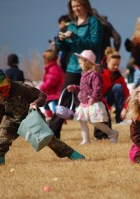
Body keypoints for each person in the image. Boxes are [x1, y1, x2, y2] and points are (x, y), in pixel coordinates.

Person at [0, 69, 85, 166]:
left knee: (48, 139)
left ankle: (73, 154)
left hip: (30, 118)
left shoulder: (22, 88)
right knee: (0, 138)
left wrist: (36, 103)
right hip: (11, 121)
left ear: (5, 87)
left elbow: (42, 95)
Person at [49, 0, 103, 139]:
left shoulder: (94, 22)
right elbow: (67, 48)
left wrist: (74, 37)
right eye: (73, 6)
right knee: (64, 98)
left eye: (78, 5)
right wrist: (61, 41)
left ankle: (102, 133)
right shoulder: (71, 25)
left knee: (96, 98)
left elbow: (95, 45)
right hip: (73, 66)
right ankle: (53, 133)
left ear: (85, 5)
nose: (76, 9)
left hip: (90, 67)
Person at [67, 50, 119, 144]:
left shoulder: (94, 75)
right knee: (82, 120)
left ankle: (112, 133)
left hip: (93, 103)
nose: (79, 65)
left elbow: (97, 88)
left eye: (80, 63)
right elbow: (83, 89)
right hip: (84, 103)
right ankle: (86, 140)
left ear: (87, 63)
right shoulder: (83, 75)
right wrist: (75, 88)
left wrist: (92, 99)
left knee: (96, 122)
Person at [102, 47, 130, 124]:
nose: (116, 67)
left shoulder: (118, 75)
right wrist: (106, 108)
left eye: (118, 64)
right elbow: (97, 94)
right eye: (114, 64)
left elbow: (127, 93)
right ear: (107, 61)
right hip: (99, 102)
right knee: (117, 87)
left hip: (109, 100)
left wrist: (125, 108)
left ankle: (120, 119)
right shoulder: (100, 72)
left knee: (118, 87)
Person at [40, 49, 65, 122]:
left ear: (47, 59)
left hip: (55, 95)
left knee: (51, 107)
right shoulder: (53, 67)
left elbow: (51, 81)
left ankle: (52, 120)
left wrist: (42, 87)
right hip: (52, 94)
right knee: (47, 106)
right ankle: (50, 119)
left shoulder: (53, 68)